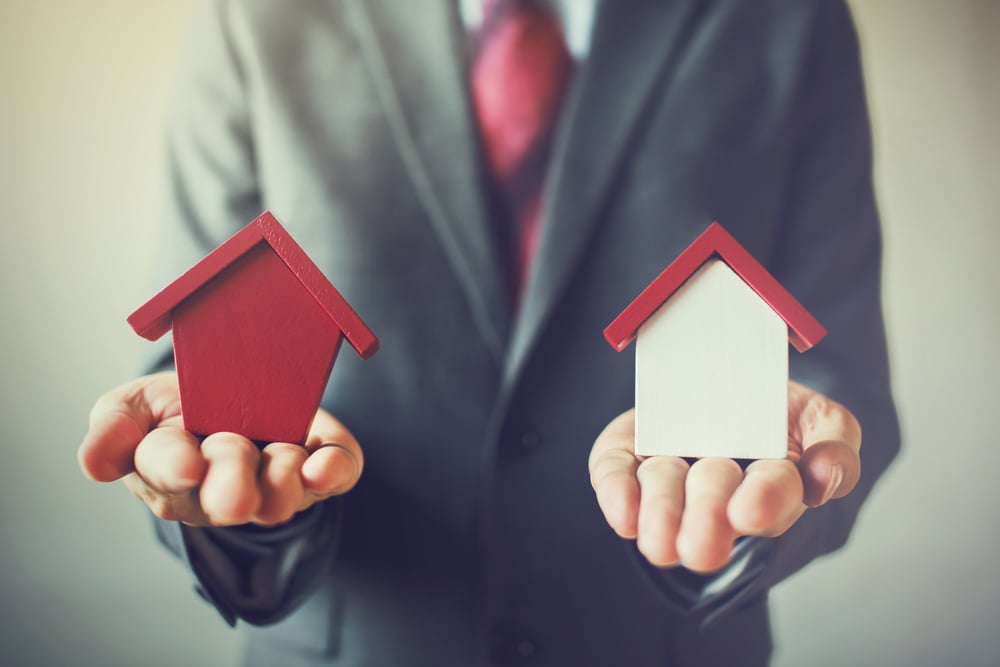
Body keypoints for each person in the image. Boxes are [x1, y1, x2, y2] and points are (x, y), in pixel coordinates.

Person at [78, 1, 899, 665]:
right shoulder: (253, 17)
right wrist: (252, 501)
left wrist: (758, 490)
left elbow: (838, 378)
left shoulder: (790, 17)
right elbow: (187, 374)